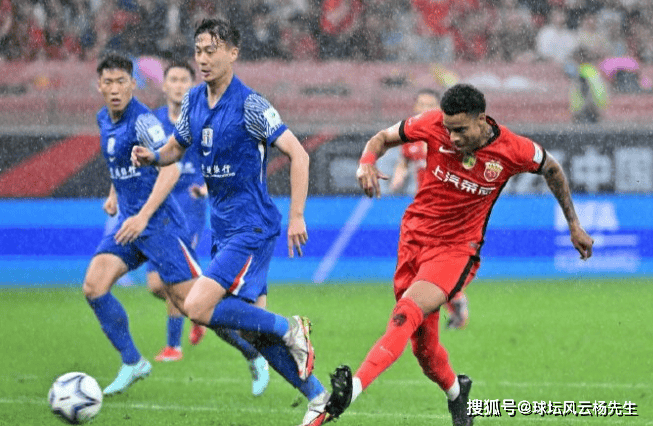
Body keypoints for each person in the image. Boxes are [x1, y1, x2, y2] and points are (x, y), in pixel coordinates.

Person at [314, 84, 594, 426]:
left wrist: (574, 224)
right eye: (448, 129)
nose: (452, 137)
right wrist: (366, 163)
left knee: (405, 312)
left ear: (481, 120)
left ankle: (351, 391)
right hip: (413, 239)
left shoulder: (515, 149)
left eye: (460, 130)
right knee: (424, 351)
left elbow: (552, 169)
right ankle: (457, 393)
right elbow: (381, 138)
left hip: (456, 250)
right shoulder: (432, 123)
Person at [131, 18, 329, 426]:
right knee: (252, 330)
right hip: (223, 230)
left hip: (252, 227)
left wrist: (297, 215)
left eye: (211, 50)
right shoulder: (193, 101)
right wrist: (153, 157)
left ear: (233, 53)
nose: (203, 59)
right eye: (198, 51)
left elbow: (299, 154)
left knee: (197, 305)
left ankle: (290, 327)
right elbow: (176, 147)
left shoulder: (251, 105)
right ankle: (318, 397)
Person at [147, 60, 270, 396]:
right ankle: (206, 311)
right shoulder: (153, 121)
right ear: (164, 85)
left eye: (183, 80)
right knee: (159, 285)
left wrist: (205, 185)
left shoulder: (202, 117)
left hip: (188, 208)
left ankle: (177, 343)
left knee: (176, 284)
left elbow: (220, 156)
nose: (177, 85)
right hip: (158, 210)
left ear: (192, 86)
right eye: (172, 79)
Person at [86, 52, 202, 396]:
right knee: (99, 286)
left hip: (170, 215)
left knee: (196, 304)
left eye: (121, 81)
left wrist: (208, 187)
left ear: (133, 84)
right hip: (136, 218)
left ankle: (257, 340)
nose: (114, 88)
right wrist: (115, 193)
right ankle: (134, 360)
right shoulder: (112, 118)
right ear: (99, 86)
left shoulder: (156, 121)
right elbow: (121, 160)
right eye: (108, 82)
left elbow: (174, 167)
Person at [389, 88, 469, 330]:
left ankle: (447, 302)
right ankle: (453, 301)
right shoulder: (411, 137)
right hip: (423, 208)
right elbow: (404, 161)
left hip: (446, 209)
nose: (424, 108)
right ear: (415, 108)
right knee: (423, 261)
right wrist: (398, 176)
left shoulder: (450, 136)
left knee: (427, 260)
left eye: (430, 104)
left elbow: (468, 163)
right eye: (421, 104)